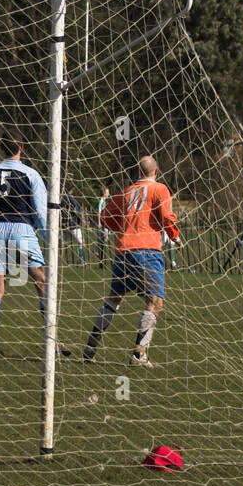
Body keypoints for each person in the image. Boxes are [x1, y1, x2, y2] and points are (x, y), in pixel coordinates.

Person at [82, 155, 179, 368]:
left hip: (123, 251)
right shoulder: (160, 189)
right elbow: (166, 216)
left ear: (137, 172)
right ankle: (139, 355)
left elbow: (105, 218)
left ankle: (91, 346)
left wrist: (125, 229)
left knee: (114, 299)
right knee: (154, 302)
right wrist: (175, 236)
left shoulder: (126, 192)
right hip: (146, 251)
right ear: (156, 171)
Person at [0, 129, 65, 358]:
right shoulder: (31, 174)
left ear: (1, 148)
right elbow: (39, 210)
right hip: (22, 231)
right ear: (22, 147)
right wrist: (50, 239)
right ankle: (53, 343)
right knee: (42, 282)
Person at [62, 184, 85, 265]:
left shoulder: (62, 199)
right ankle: (81, 260)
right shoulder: (73, 199)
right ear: (71, 190)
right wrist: (81, 219)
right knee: (81, 242)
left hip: (64, 225)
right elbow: (77, 210)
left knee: (61, 243)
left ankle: (53, 259)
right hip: (74, 224)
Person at [95, 185, 113, 266]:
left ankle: (98, 251)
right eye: (108, 192)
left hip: (104, 222)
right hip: (101, 223)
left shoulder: (104, 201)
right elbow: (98, 212)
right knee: (103, 238)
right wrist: (99, 222)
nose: (109, 193)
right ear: (104, 193)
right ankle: (96, 250)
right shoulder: (101, 201)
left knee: (104, 238)